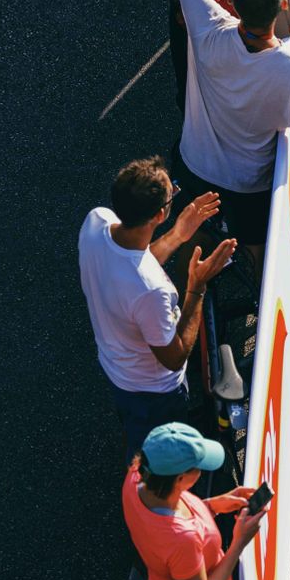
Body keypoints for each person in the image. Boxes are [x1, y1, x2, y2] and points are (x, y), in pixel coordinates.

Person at [167, 0, 290, 256]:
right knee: (261, 256)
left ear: (234, 2)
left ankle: (193, 294)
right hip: (249, 186)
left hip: (193, 164)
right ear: (282, 8)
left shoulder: (206, 26)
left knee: (188, 241)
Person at [78, 157, 239, 458]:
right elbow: (175, 356)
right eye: (173, 193)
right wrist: (196, 287)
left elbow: (134, 259)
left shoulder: (95, 222)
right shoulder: (150, 291)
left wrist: (178, 235)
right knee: (157, 460)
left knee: (137, 434)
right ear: (160, 214)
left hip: (117, 369)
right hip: (154, 393)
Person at [123, 422, 268, 580]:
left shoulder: (136, 477)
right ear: (180, 478)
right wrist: (239, 542)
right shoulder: (183, 540)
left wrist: (214, 505)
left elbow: (172, 516)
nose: (202, 470)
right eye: (198, 466)